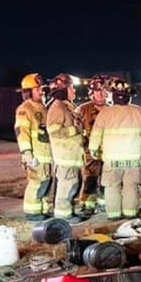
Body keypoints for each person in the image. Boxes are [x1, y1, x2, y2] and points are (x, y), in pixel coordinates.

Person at [88, 80, 141, 220]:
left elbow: (96, 134)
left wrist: (93, 149)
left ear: (113, 96)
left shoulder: (105, 113)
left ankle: (114, 214)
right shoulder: (139, 112)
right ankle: (130, 213)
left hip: (112, 160)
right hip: (132, 159)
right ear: (129, 97)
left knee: (112, 187)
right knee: (131, 186)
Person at [44, 74, 86, 220]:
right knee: (67, 186)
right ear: (63, 90)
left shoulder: (66, 106)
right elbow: (53, 130)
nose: (74, 91)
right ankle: (63, 216)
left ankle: (68, 211)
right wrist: (75, 130)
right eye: (71, 88)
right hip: (65, 157)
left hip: (72, 155)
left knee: (73, 184)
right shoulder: (57, 107)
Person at [13, 73, 54, 220]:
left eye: (41, 88)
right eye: (37, 89)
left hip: (45, 153)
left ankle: (42, 209)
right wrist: (27, 153)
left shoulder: (43, 107)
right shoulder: (25, 109)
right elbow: (21, 132)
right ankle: (32, 212)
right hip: (35, 154)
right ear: (28, 92)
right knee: (37, 182)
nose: (41, 91)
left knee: (46, 181)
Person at [75, 76, 110, 215]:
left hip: (109, 151)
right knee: (90, 178)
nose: (100, 94)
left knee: (107, 179)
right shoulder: (82, 110)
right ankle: (87, 205)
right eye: (97, 91)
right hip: (89, 152)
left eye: (103, 91)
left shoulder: (113, 109)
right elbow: (76, 131)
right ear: (91, 93)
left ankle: (104, 204)